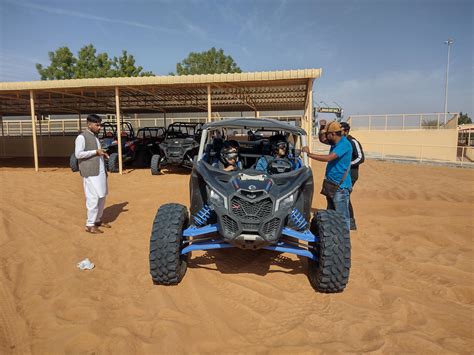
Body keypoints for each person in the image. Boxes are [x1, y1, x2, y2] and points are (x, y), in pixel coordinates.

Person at [302, 121, 352, 231]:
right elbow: (322, 139)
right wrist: (322, 127)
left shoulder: (344, 144)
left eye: (327, 133)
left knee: (343, 218)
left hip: (340, 188)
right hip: (332, 185)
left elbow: (329, 158)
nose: (326, 136)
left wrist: (309, 154)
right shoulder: (336, 142)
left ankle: (343, 241)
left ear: (333, 134)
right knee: (333, 216)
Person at [75, 114, 111, 234]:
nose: (99, 127)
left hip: (99, 171)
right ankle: (89, 225)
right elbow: (78, 154)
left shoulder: (95, 137)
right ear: (89, 124)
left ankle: (97, 220)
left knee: (102, 195)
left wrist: (102, 154)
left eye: (100, 125)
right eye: (97, 125)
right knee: (93, 197)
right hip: (90, 172)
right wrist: (95, 152)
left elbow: (97, 153)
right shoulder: (82, 137)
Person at [340, 121, 365, 230]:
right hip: (342, 174)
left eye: (340, 131)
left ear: (346, 131)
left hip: (351, 174)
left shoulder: (353, 141)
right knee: (340, 195)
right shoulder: (341, 141)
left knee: (345, 196)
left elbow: (361, 157)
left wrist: (348, 164)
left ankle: (350, 221)